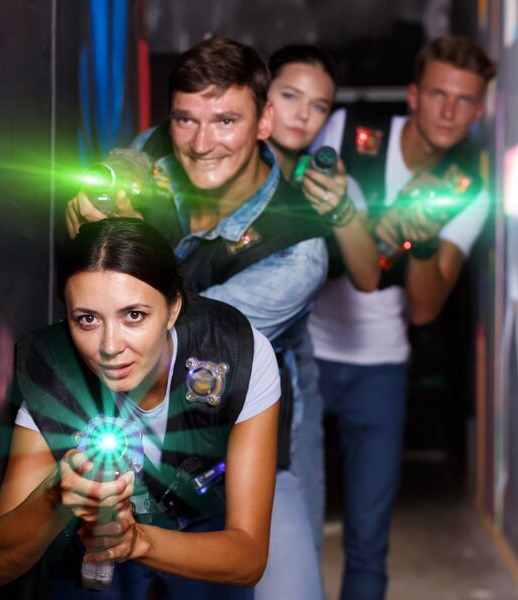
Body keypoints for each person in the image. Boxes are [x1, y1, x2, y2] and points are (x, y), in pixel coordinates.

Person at [66, 36, 332, 600]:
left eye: (225, 121)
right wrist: (108, 182)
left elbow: (191, 340)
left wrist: (115, 247)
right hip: (134, 421)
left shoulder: (299, 248)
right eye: (186, 120)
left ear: (265, 122)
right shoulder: (166, 147)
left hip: (241, 429)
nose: (201, 142)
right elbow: (139, 153)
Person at [0, 218, 281, 598]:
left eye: (133, 315)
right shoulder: (54, 372)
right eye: (87, 319)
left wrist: (137, 541)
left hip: (201, 512)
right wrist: (55, 495)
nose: (110, 346)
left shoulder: (235, 352)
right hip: (91, 537)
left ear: (173, 309)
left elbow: (248, 557)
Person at [307, 35, 496, 599]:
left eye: (464, 101)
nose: (448, 111)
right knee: (285, 523)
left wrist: (422, 237)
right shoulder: (346, 129)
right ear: (413, 94)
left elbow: (425, 308)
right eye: (438, 93)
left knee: (368, 541)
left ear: (479, 110)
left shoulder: (467, 192)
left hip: (380, 368)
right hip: (302, 351)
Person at [263, 44, 379, 553]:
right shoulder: (225, 159)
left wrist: (341, 213)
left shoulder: (330, 180)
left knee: (299, 527)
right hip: (203, 359)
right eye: (290, 95)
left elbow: (368, 276)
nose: (302, 114)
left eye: (319, 106)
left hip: (292, 365)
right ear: (263, 93)